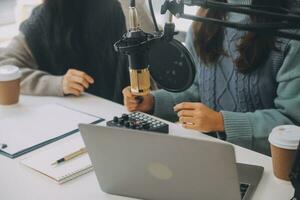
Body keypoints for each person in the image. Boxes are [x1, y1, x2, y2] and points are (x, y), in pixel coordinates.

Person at [123, 0, 300, 154]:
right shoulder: (204, 20)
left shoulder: (290, 32)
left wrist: (220, 122)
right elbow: (197, 89)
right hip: (209, 152)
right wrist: (153, 102)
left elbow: (292, 121)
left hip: (268, 165)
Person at [0, 0, 153, 103]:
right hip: (70, 117)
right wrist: (57, 84)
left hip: (126, 116)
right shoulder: (47, 16)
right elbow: (5, 68)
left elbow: (154, 54)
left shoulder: (123, 8)